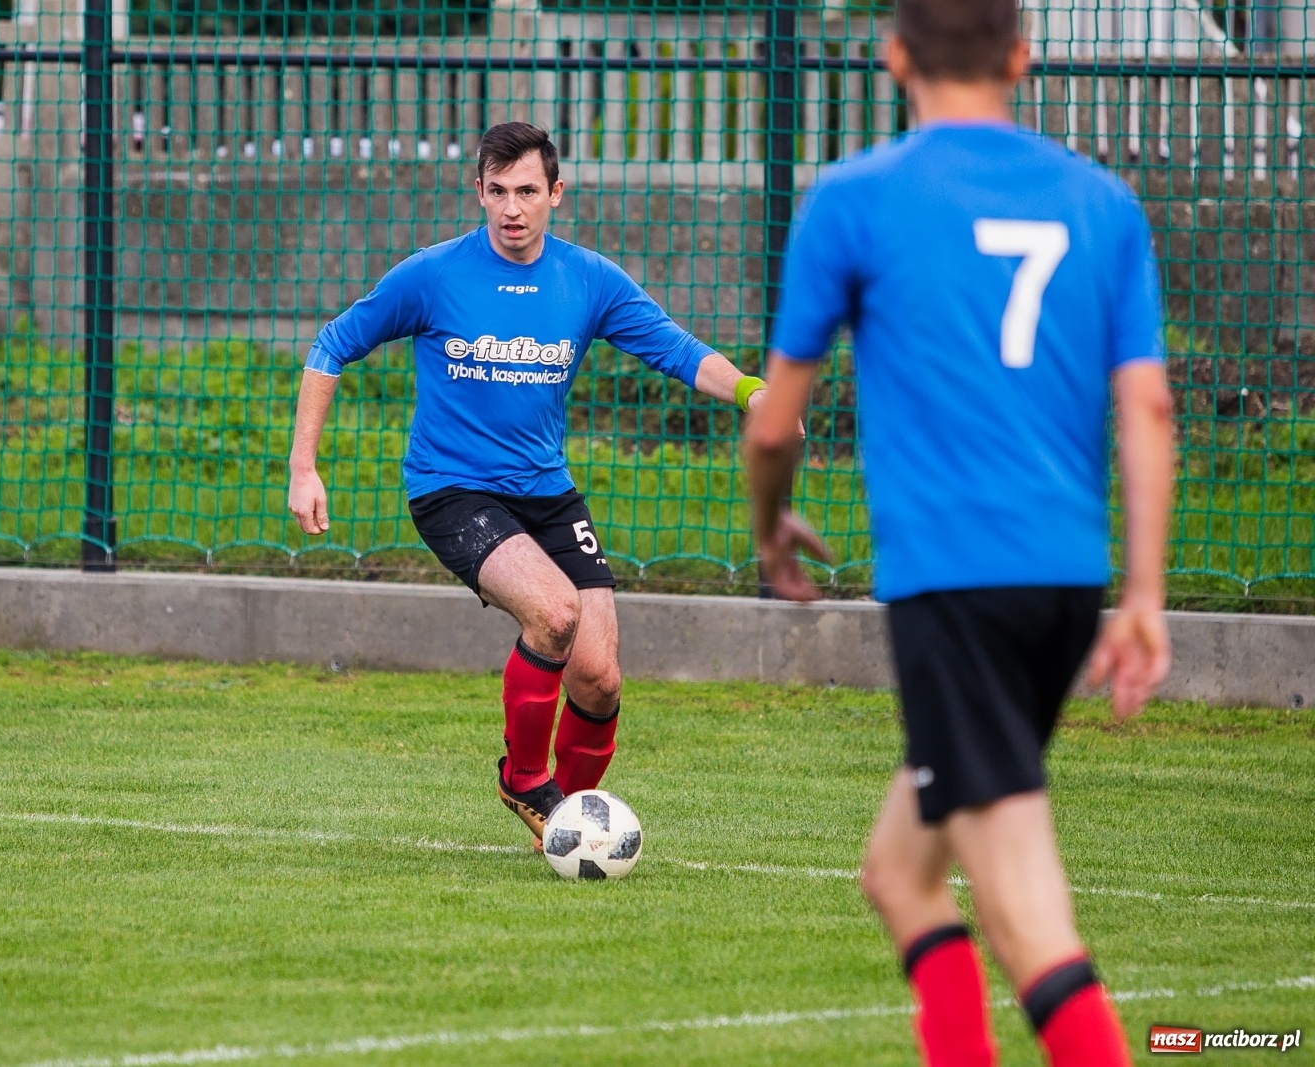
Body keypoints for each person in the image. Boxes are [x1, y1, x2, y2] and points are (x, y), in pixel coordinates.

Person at [743, 0, 1175, 1063]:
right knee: (899, 873)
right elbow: (1149, 409)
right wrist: (1145, 595)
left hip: (954, 591)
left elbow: (770, 422)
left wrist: (770, 523)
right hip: (1064, 586)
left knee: (1027, 920)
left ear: (891, 55)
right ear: (1022, 56)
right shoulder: (1103, 202)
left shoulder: (853, 198)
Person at [288, 121, 769, 847]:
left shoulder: (588, 278)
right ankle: (522, 777)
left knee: (601, 677)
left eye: (528, 192)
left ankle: (575, 824)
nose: (513, 208)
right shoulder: (434, 275)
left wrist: (752, 394)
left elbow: (676, 349)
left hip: (547, 492)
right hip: (453, 489)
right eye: (499, 191)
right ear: (478, 191)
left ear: (556, 195)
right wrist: (304, 467)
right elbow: (332, 345)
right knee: (553, 613)